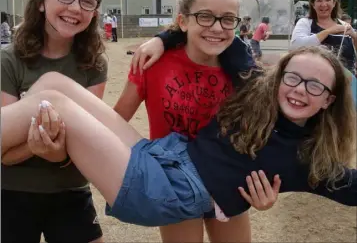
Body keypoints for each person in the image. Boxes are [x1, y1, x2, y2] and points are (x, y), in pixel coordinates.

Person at [2, 46, 356, 232]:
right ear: (280, 77)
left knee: (57, 103)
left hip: (167, 192)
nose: (299, 90)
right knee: (53, 82)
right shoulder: (256, 93)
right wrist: (163, 38)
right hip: (164, 156)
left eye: (315, 86)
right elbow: (224, 38)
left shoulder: (311, 159)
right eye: (293, 78)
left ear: (329, 100)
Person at [114, 0, 276, 243]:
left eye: (227, 19)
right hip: (175, 184)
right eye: (204, 16)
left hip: (226, 181)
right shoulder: (153, 62)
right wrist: (144, 164)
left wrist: (265, 186)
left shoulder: (244, 74)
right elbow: (117, 119)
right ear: (183, 21)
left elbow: (263, 135)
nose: (216, 27)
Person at [1, 0, 107, 243]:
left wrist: (56, 152)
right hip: (9, 192)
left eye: (87, 1)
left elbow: (84, 143)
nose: (75, 8)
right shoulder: (8, 60)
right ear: (41, 0)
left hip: (70, 190)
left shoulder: (94, 64)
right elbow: (3, 151)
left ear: (95, 11)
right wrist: (36, 148)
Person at [291, 0, 357, 75]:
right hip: (314, 82)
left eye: (328, 0)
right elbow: (295, 46)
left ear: (334, 3)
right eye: (319, 0)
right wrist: (328, 31)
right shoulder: (305, 23)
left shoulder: (344, 25)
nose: (323, 4)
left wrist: (354, 35)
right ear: (313, 4)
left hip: (346, 83)